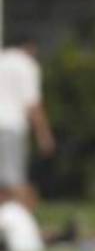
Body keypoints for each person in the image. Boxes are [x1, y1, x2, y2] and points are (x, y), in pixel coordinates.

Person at [0, 37, 56, 209]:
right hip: (11, 126)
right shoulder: (26, 64)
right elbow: (33, 105)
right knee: (15, 180)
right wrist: (44, 136)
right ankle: (25, 227)